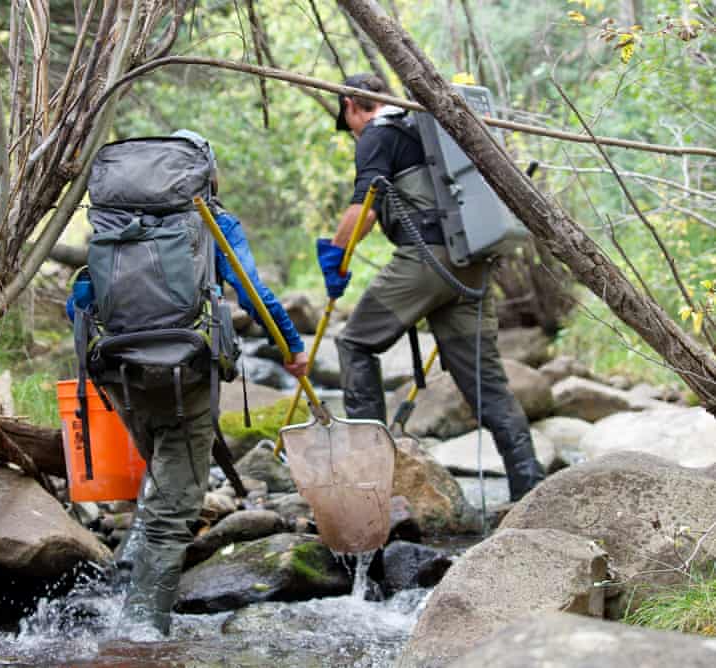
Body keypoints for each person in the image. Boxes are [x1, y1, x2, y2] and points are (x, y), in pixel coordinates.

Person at [89, 129, 308, 635]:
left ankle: (119, 580)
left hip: (120, 371)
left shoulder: (111, 221)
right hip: (183, 372)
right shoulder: (210, 221)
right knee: (173, 511)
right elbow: (254, 293)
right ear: (204, 171)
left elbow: (80, 299)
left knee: (162, 474)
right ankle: (141, 633)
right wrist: (293, 347)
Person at [318, 74, 544, 502]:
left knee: (355, 344)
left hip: (428, 262)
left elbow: (363, 209)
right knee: (487, 387)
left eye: (347, 119)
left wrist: (335, 254)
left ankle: (370, 481)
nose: (351, 129)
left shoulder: (377, 135)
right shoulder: (429, 126)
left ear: (351, 105)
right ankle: (530, 492)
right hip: (471, 268)